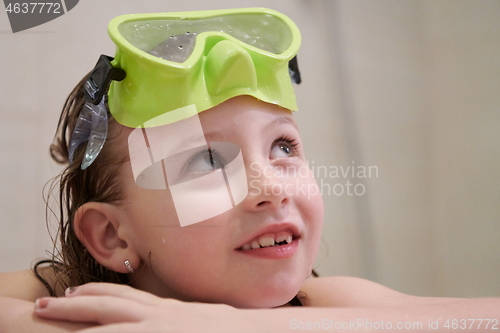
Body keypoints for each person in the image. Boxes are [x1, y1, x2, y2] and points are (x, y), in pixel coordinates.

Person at [0, 8, 498, 333]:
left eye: (283, 146)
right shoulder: (58, 299)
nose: (270, 187)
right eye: (209, 160)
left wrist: (219, 325)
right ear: (110, 236)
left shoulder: (318, 303)